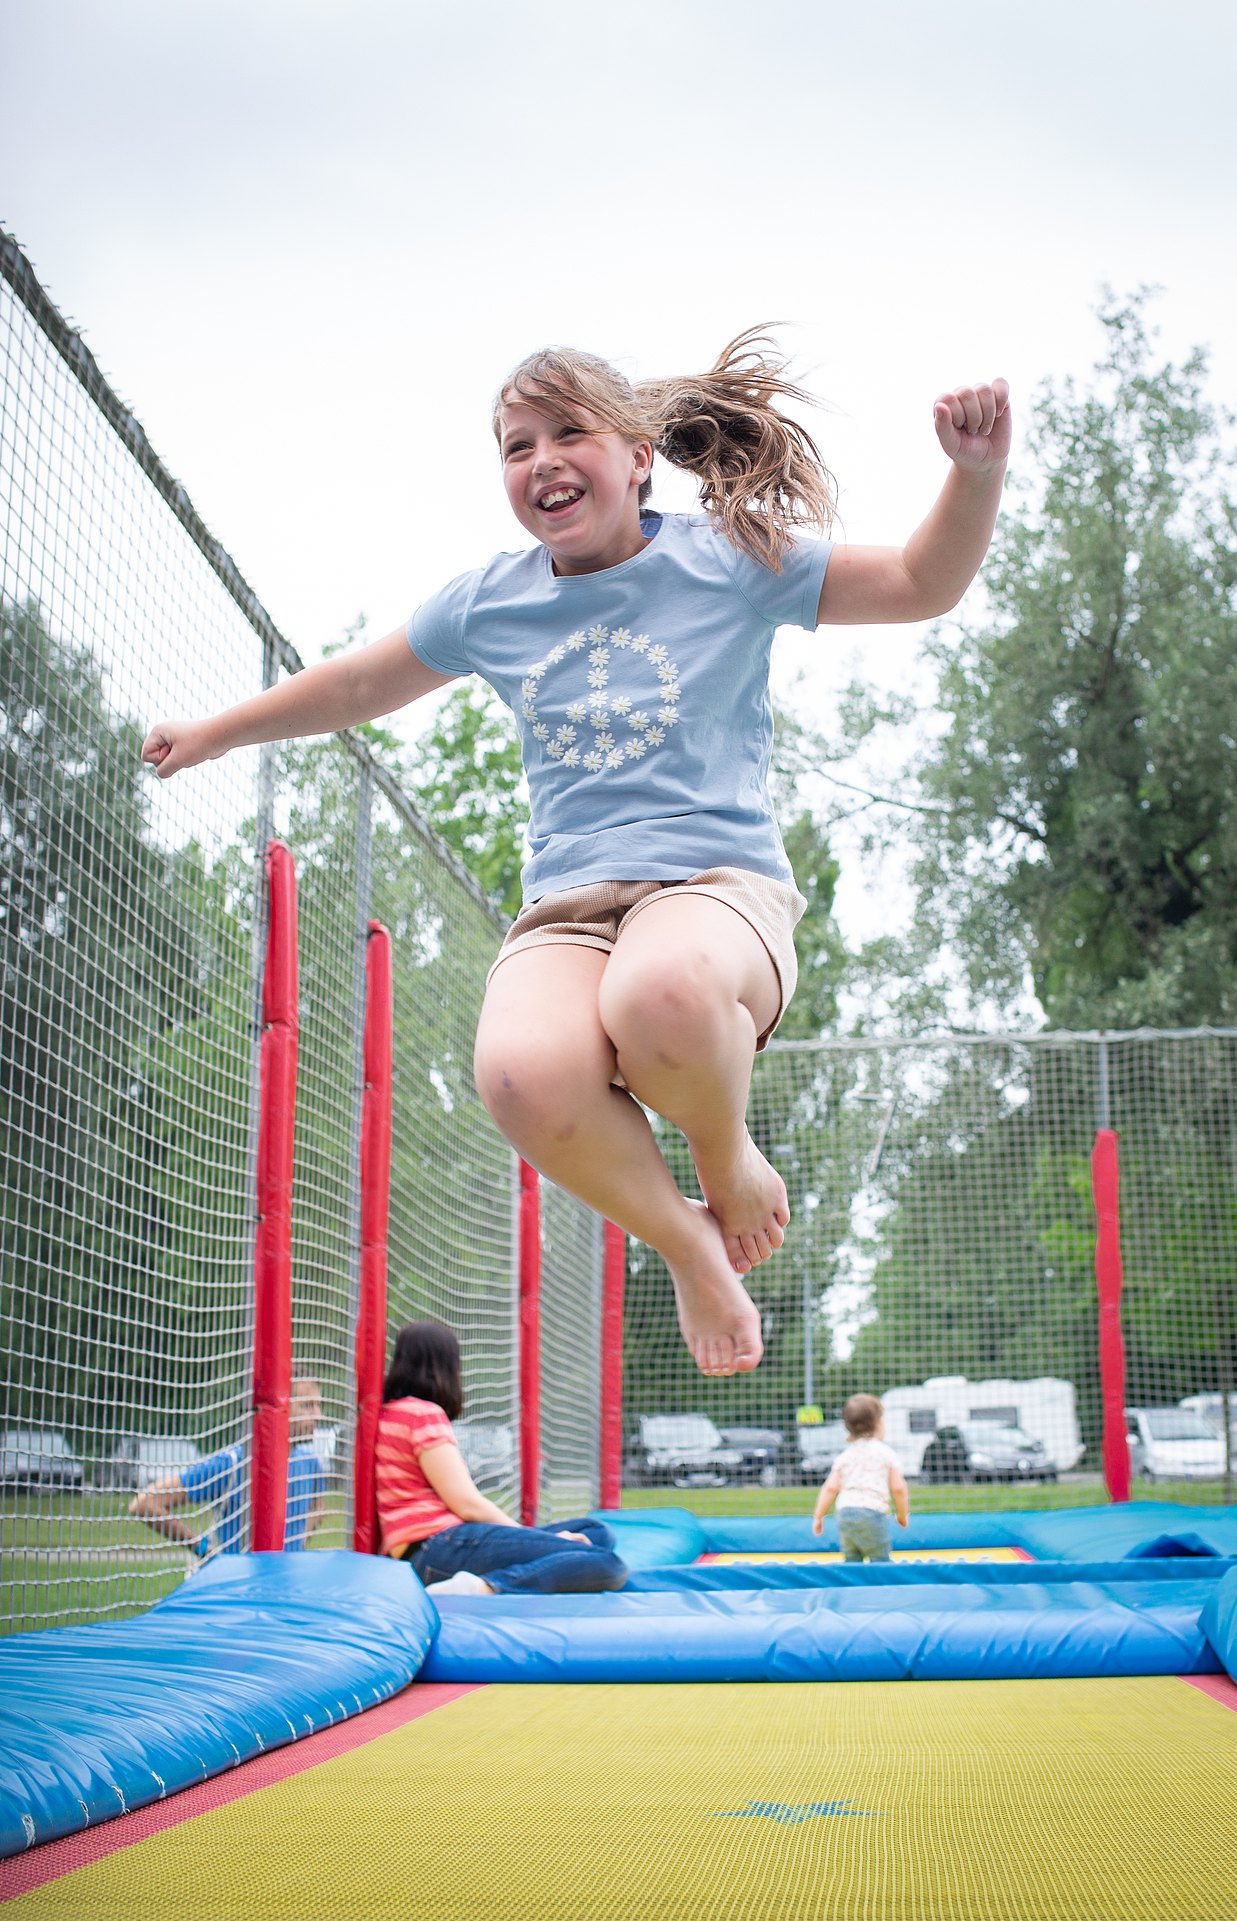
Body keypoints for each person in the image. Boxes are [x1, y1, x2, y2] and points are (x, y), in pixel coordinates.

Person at [142, 330, 1010, 1381]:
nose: (541, 460)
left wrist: (973, 473)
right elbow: (358, 687)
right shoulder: (489, 602)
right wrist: (213, 732)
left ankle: (723, 1157)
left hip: (713, 891)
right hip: (568, 908)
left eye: (569, 433)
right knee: (516, 1072)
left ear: (638, 453)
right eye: (516, 445)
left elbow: (922, 580)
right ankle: (688, 1241)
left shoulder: (729, 559)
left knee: (664, 996)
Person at [375, 1317, 627, 1596]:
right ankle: (486, 1587)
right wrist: (533, 1537)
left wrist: (541, 1540)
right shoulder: (422, 1414)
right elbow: (467, 1504)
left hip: (426, 1550)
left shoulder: (389, 1414)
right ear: (446, 1367)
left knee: (596, 1532)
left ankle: (519, 1568)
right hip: (437, 1547)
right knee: (607, 1563)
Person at [130, 1376, 328, 1560]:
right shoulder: (233, 1463)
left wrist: (297, 1544)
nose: (318, 1415)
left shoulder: (310, 1464)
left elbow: (318, 1507)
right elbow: (145, 1504)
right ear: (280, 1408)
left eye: (319, 1405)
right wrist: (206, 1552)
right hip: (241, 1589)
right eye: (307, 1406)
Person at [811, 1393, 909, 1563]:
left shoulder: (845, 1456)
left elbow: (831, 1488)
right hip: (872, 1513)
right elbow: (898, 1488)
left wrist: (818, 1516)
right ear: (878, 1424)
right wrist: (902, 1514)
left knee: (852, 1560)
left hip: (845, 1513)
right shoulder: (885, 1453)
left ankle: (852, 1588)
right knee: (880, 1559)